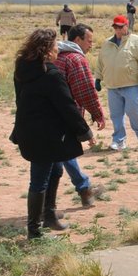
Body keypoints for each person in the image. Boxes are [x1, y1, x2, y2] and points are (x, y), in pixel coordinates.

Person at [9, 29, 93, 239]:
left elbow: (21, 101)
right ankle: (35, 231)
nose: (58, 49)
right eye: (56, 45)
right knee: (38, 180)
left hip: (31, 131)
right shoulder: (51, 75)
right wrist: (85, 132)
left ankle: (49, 214)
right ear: (46, 51)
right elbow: (67, 106)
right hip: (45, 136)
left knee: (55, 170)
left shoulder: (23, 69)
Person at [55, 24, 106, 206]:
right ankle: (82, 190)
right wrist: (97, 113)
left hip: (46, 114)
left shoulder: (53, 55)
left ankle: (84, 188)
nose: (91, 45)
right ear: (77, 40)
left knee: (60, 153)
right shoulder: (75, 59)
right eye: (89, 41)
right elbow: (84, 90)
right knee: (57, 157)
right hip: (66, 115)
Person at [94, 14, 138, 151]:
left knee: (134, 112)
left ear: (126, 26)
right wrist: (98, 78)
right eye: (115, 27)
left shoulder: (136, 41)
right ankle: (119, 141)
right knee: (116, 115)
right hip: (112, 86)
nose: (118, 30)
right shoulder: (107, 43)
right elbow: (101, 62)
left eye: (120, 27)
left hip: (130, 84)